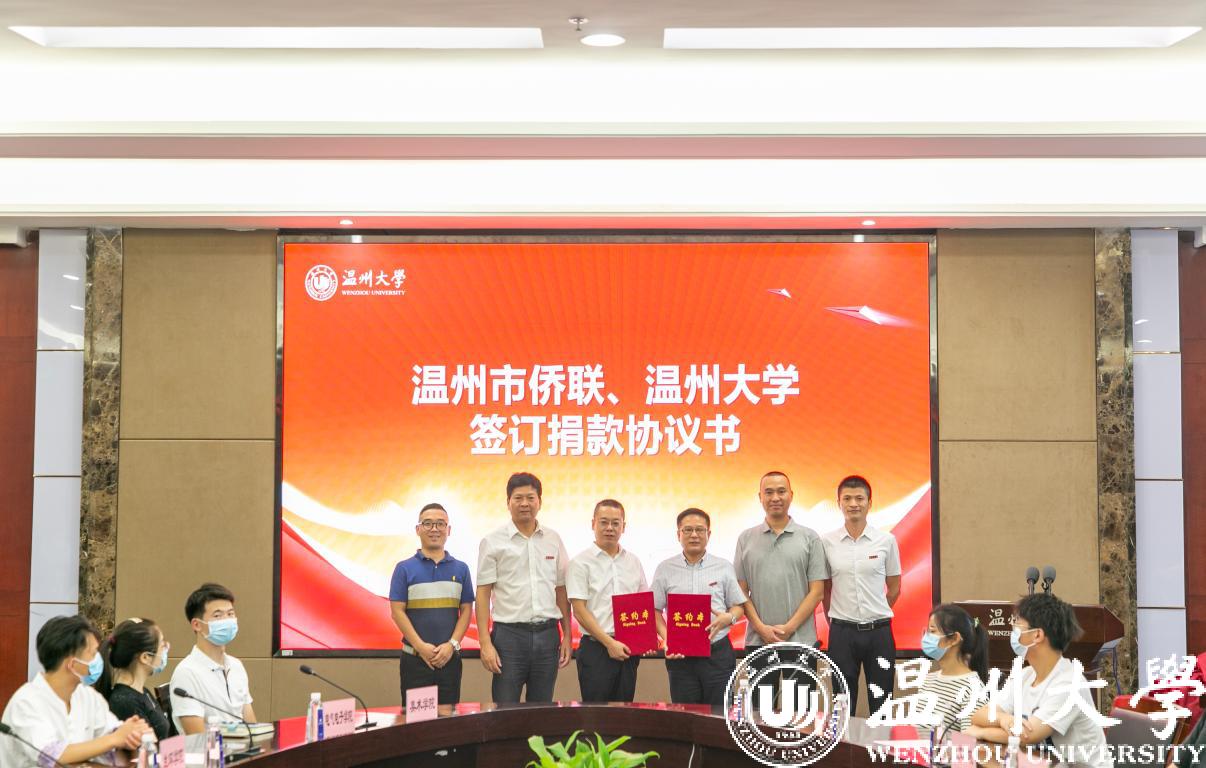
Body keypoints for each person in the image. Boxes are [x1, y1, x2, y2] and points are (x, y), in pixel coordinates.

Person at [970, 593, 1113, 768]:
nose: (1013, 629)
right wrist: (1003, 719)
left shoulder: (1069, 683)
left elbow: (1028, 735)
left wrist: (980, 732)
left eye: (1017, 622)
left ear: (1037, 635)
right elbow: (980, 715)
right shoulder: (1024, 675)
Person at [1, 615, 149, 768]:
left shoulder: (88, 697)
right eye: (93, 653)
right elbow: (51, 756)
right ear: (72, 664)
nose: (98, 659)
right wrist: (115, 739)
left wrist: (132, 733)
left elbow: (113, 735)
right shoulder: (26, 702)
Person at [476, 472, 573, 703]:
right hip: (509, 637)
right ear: (508, 502)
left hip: (548, 635)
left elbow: (561, 590)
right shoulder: (492, 541)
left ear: (540, 501)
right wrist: (485, 643)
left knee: (542, 709)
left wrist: (568, 636)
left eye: (530, 498)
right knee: (505, 708)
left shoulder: (553, 539)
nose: (524, 504)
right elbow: (483, 594)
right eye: (518, 498)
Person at [821, 474, 901, 717]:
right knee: (842, 703)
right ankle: (845, 743)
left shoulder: (886, 540)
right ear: (839, 503)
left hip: (879, 633)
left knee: (882, 703)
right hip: (842, 633)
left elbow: (895, 587)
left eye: (859, 498)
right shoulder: (826, 542)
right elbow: (826, 588)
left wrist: (876, 610)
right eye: (847, 499)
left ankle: (881, 745)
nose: (853, 504)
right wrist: (835, 620)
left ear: (870, 503)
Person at [651, 507, 747, 706]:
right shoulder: (665, 569)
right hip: (680, 657)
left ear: (708, 534)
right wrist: (668, 638)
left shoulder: (724, 567)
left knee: (719, 715)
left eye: (699, 530)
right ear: (678, 534)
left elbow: (738, 606)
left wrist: (729, 618)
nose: (694, 535)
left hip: (717, 653)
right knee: (685, 715)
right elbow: (654, 610)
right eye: (687, 530)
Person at [389, 502, 474, 707]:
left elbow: (466, 611)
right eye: (427, 523)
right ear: (418, 529)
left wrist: (451, 645)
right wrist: (420, 647)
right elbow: (397, 612)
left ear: (448, 530)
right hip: (415, 661)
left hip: (449, 659)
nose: (434, 529)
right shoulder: (404, 569)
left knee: (448, 721)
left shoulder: (461, 569)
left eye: (440, 524)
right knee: (418, 723)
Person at [567, 498, 652, 702]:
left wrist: (646, 638)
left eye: (616, 523)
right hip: (596, 648)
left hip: (629, 648)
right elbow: (579, 610)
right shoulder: (580, 563)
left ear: (624, 526)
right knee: (596, 713)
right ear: (593, 524)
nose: (610, 528)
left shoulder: (633, 561)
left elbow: (642, 604)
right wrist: (609, 643)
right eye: (604, 522)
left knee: (625, 710)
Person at [735, 471, 828, 649]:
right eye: (769, 492)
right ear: (760, 497)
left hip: (801, 641)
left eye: (781, 491)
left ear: (791, 495)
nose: (775, 498)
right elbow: (741, 591)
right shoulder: (745, 539)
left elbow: (817, 592)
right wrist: (761, 629)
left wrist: (788, 628)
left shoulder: (810, 537)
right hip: (758, 641)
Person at [169, 583, 256, 734]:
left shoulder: (236, 666)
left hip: (245, 747)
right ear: (197, 625)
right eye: (218, 616)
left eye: (230, 614)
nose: (227, 620)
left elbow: (252, 727)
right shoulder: (187, 673)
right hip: (210, 748)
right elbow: (197, 737)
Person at [917, 604, 989, 735]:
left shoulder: (973, 689)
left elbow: (970, 740)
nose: (926, 637)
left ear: (954, 639)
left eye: (932, 631)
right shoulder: (928, 680)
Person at [97, 617, 174, 739]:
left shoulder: (143, 691)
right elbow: (149, 747)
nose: (166, 648)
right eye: (162, 645)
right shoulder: (124, 702)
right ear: (145, 657)